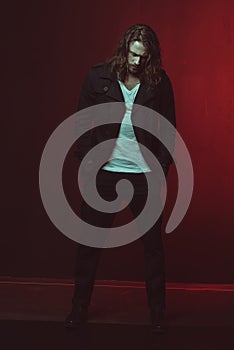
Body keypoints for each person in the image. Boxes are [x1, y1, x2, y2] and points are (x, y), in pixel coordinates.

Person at [65, 24, 176, 333]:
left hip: (144, 177)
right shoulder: (98, 76)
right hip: (105, 175)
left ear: (151, 56)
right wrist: (88, 164)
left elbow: (169, 131)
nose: (137, 62)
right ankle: (78, 308)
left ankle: (157, 313)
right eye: (133, 54)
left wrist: (160, 171)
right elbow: (81, 122)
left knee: (153, 247)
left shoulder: (159, 83)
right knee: (89, 245)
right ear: (124, 49)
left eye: (143, 56)